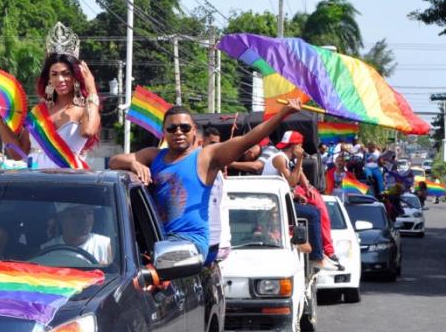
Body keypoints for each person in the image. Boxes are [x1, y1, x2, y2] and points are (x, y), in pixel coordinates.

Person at [109, 99, 303, 264]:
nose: (178, 132)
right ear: (164, 132)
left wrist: (282, 114)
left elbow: (247, 140)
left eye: (185, 128)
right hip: (158, 240)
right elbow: (114, 161)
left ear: (194, 132)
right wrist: (135, 164)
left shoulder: (205, 157)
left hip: (189, 243)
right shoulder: (154, 156)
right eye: (172, 128)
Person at [0, 23, 100, 169]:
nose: (60, 79)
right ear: (49, 79)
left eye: (66, 73)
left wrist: (91, 89)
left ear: (75, 77)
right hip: (36, 181)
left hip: (69, 180)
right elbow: (19, 153)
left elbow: (88, 131)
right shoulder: (38, 112)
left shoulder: (84, 111)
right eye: (54, 74)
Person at [261, 131, 339, 271]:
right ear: (294, 146)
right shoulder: (280, 158)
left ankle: (315, 250)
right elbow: (291, 181)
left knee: (313, 210)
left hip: (281, 201)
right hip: (274, 205)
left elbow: (288, 184)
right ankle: (316, 257)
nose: (302, 149)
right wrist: (300, 160)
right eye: (300, 146)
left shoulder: (286, 159)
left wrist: (297, 195)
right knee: (314, 213)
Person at [198, 126, 232, 261]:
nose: (216, 147)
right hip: (205, 244)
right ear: (201, 142)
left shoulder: (217, 170)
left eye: (218, 144)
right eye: (212, 144)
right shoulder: (198, 167)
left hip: (219, 244)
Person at [40, 203, 112, 265]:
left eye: (89, 212)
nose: (85, 219)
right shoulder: (47, 250)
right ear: (61, 217)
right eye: (76, 214)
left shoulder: (105, 245)